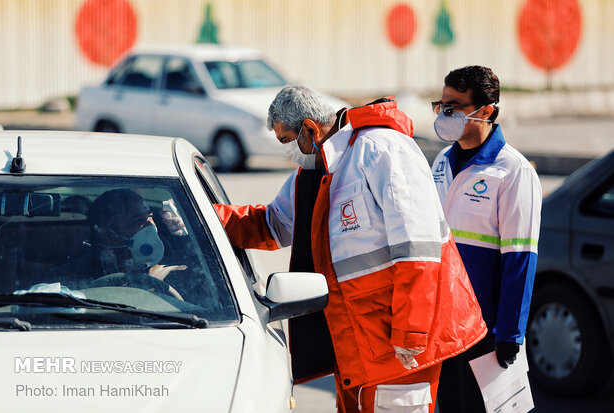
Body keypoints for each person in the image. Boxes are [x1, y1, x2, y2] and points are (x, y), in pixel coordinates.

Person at [214, 85, 487, 413]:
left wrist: (411, 334)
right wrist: (202, 215)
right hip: (358, 344)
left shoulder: (382, 150)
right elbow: (270, 224)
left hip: (399, 346)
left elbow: (418, 248)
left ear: (310, 130)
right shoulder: (316, 174)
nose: (287, 152)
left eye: (286, 140)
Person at [430, 66, 542, 413]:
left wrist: (509, 332)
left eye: (455, 106)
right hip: (443, 325)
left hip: (484, 327)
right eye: (441, 105)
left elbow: (519, 258)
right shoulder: (440, 163)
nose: (445, 114)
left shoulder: (513, 171)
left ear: (487, 110)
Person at [86, 188, 188, 298]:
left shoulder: (175, 275)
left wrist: (189, 232)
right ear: (108, 235)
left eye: (150, 217)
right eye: (138, 221)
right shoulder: (81, 273)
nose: (150, 226)